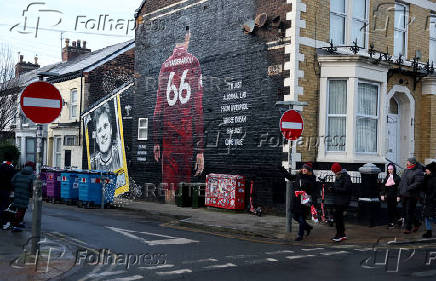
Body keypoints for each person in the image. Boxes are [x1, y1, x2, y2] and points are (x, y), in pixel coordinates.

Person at [153, 27, 204, 198]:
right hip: (187, 135)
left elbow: (158, 108)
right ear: (188, 37)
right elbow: (198, 107)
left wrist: (156, 141)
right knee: (184, 184)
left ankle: (170, 207)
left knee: (169, 183)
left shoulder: (164, 66)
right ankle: (181, 209)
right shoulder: (193, 62)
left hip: (168, 136)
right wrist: (201, 149)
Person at [90, 102, 121, 171]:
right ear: (97, 139)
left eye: (105, 126)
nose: (103, 134)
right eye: (99, 130)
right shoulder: (92, 161)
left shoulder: (120, 155)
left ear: (111, 130)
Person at [399, 157, 424, 234]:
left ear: (412, 163)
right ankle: (417, 223)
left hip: (412, 195)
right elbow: (402, 181)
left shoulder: (418, 171)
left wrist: (409, 188)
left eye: (408, 162)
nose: (407, 163)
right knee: (407, 211)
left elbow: (418, 183)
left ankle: (408, 228)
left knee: (409, 211)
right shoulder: (406, 170)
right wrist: (400, 188)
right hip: (404, 194)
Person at [291, 163, 316, 241]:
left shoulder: (311, 178)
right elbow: (290, 177)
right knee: (295, 216)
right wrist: (281, 170)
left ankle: (300, 235)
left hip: (305, 200)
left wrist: (312, 201)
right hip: (296, 199)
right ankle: (307, 227)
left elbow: (312, 190)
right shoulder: (298, 176)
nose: (304, 169)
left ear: (309, 170)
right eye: (303, 168)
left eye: (306, 169)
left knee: (301, 217)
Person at [330, 162, 352, 242]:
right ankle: (342, 234)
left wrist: (335, 189)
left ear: (337, 170)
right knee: (339, 218)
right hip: (337, 201)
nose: (333, 173)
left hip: (343, 201)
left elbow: (346, 190)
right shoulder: (338, 177)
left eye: (334, 171)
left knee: (338, 218)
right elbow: (338, 188)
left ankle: (339, 235)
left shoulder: (346, 177)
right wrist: (332, 189)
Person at [10, 161, 35, 232]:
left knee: (18, 208)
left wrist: (15, 188)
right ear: (32, 167)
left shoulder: (18, 173)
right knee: (22, 209)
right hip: (25, 193)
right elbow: (33, 186)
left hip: (17, 192)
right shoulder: (32, 175)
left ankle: (18, 223)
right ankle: (15, 225)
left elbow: (12, 181)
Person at [381, 163, 401, 228]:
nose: (390, 170)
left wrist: (398, 196)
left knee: (394, 209)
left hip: (395, 196)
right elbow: (384, 187)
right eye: (388, 169)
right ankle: (391, 223)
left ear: (394, 169)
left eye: (391, 169)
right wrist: (382, 194)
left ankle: (399, 219)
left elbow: (399, 188)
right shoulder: (387, 177)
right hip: (389, 196)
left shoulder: (397, 177)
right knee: (389, 209)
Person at [0, 155, 16, 227]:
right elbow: (13, 180)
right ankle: (3, 221)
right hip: (6, 189)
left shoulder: (1, 166)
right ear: (11, 160)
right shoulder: (11, 168)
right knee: (5, 206)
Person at [422, 162, 436, 238]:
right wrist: (425, 178)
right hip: (427, 199)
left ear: (430, 170)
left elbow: (434, 190)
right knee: (426, 216)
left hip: (432, 200)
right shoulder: (427, 177)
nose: (425, 170)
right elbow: (423, 188)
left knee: (432, 217)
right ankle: (429, 232)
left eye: (427, 169)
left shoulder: (434, 178)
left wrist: (431, 198)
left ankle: (429, 231)